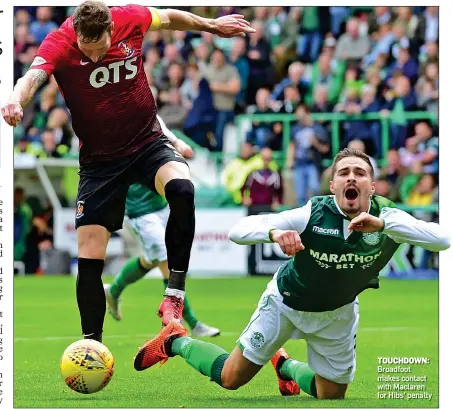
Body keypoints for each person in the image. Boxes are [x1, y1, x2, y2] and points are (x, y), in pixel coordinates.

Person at [2, 1, 255, 343]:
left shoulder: (130, 17)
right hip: (99, 163)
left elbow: (172, 19)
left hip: (147, 143)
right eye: (86, 51)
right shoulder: (59, 42)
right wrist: (16, 99)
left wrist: (211, 26)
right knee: (90, 255)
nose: (93, 58)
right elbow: (31, 76)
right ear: (76, 34)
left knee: (183, 189)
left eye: (100, 49)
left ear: (111, 30)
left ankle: (174, 295)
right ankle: (91, 345)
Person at [132, 148, 450, 399]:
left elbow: (443, 239)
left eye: (360, 173)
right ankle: (175, 340)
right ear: (333, 185)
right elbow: (239, 230)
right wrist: (273, 233)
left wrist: (383, 225)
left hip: (337, 314)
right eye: (344, 173)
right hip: (285, 304)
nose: (351, 178)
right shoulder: (313, 212)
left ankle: (285, 365)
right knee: (231, 379)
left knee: (331, 395)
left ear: (372, 185)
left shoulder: (388, 217)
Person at [105, 117, 220, 337]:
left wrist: (177, 143)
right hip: (139, 212)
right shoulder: (114, 125)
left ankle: (114, 289)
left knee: (150, 260)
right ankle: (192, 323)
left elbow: (157, 122)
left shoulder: (143, 113)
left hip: (160, 203)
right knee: (169, 261)